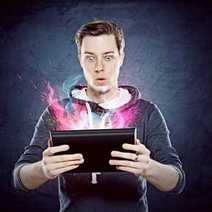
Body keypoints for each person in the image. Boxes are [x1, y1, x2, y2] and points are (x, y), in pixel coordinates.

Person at [13, 20, 185, 212]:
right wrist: (43, 169)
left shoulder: (147, 112)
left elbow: (176, 181)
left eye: (108, 57)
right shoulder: (57, 112)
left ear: (121, 57)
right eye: (90, 57)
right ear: (80, 59)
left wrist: (148, 167)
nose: (99, 67)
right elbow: (20, 178)